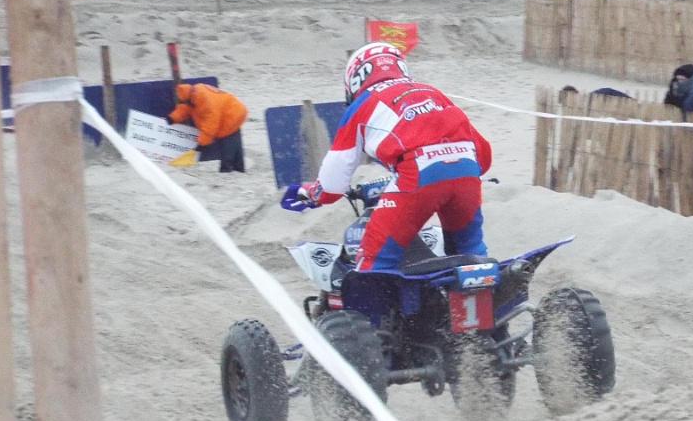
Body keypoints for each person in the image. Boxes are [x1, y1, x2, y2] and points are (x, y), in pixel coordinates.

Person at [280, 42, 491, 272]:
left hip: (418, 173)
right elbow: (484, 157)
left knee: (373, 260)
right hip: (467, 170)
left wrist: (309, 193)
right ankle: (488, 295)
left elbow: (332, 186)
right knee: (470, 253)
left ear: (355, 79)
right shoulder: (432, 92)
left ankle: (392, 305)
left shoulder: (361, 105)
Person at [166, 82, 247, 173]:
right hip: (233, 109)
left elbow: (210, 126)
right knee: (234, 143)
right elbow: (185, 108)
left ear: (188, 99)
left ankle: (226, 169)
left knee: (227, 143)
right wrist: (172, 118)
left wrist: (201, 144)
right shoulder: (194, 93)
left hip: (232, 115)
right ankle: (239, 168)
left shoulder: (205, 103)